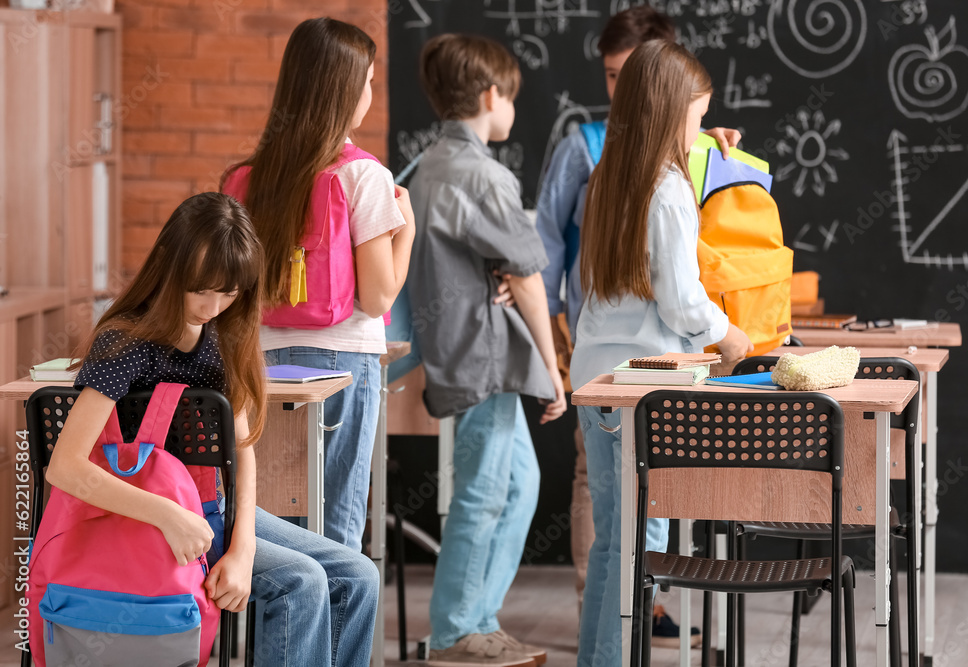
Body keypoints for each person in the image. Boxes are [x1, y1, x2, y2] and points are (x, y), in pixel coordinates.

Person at [47, 192, 379, 666]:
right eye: (201, 288)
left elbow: (242, 451)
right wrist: (168, 516)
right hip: (144, 518)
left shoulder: (223, 338)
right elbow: (65, 466)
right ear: (170, 266)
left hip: (210, 509)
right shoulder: (125, 341)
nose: (213, 305)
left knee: (358, 576)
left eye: (229, 292)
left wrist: (241, 550)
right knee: (300, 582)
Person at [534, 5, 741, 645]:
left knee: (612, 544)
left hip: (600, 384)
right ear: (669, 112)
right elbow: (682, 304)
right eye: (697, 119)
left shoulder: (608, 180)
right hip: (651, 386)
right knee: (635, 548)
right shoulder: (669, 189)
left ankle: (601, 660)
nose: (699, 133)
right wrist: (728, 334)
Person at [221, 17, 415, 550]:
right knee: (335, 536)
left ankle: (272, 636)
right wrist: (408, 233)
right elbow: (376, 296)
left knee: (264, 535)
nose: (371, 93)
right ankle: (331, 638)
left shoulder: (245, 178)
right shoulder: (363, 175)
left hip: (256, 365)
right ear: (347, 89)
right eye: (369, 81)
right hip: (340, 364)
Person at [408, 33, 568, 667]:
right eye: (511, 99)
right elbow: (528, 276)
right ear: (491, 95)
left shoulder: (429, 166)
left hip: (456, 348)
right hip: (484, 356)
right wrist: (554, 374)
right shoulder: (483, 174)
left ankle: (478, 619)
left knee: (518, 484)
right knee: (484, 491)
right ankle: (454, 632)